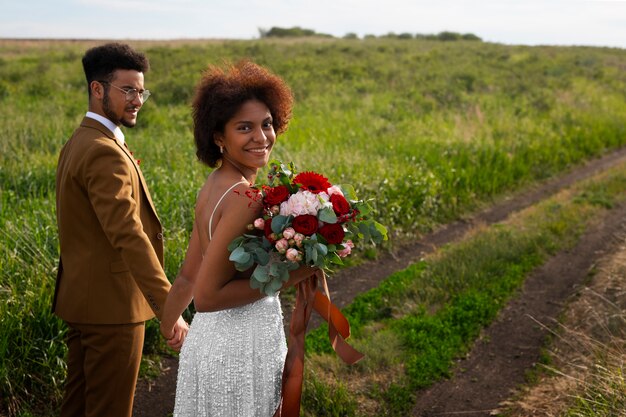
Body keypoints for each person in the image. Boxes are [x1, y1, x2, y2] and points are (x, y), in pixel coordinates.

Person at [159, 61, 316, 417]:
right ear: (219, 137)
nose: (261, 138)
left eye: (266, 124)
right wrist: (299, 272)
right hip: (241, 350)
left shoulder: (214, 184)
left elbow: (188, 275)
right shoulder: (248, 198)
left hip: (207, 343)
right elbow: (208, 296)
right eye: (244, 128)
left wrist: (168, 324)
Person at [53, 42, 188, 417]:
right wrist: (169, 306)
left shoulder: (78, 142)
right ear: (98, 89)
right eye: (127, 89)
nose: (138, 100)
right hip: (112, 307)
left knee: (78, 407)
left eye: (141, 90)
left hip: (83, 300)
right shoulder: (103, 150)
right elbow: (127, 234)